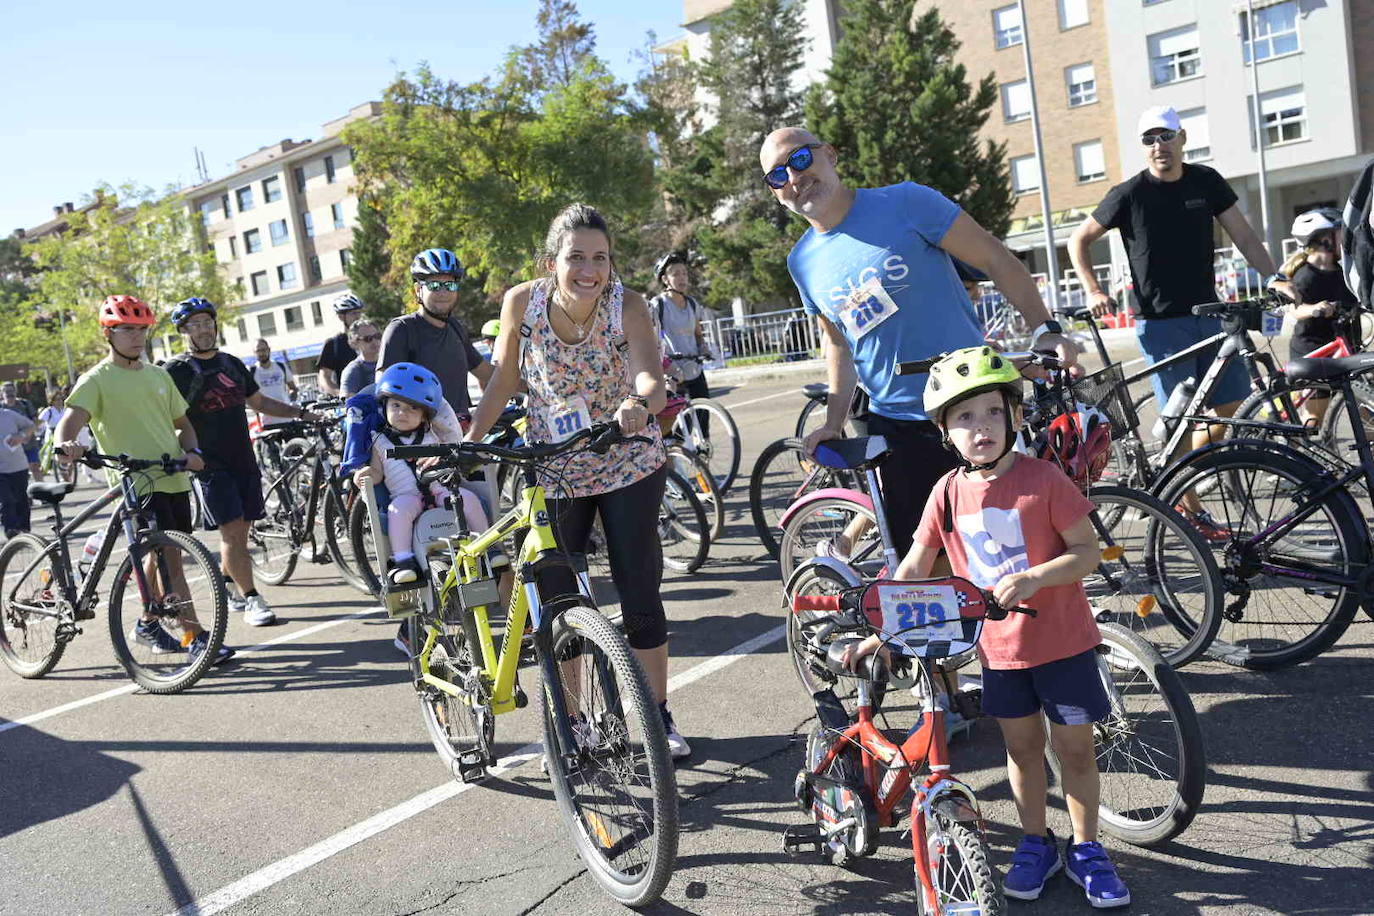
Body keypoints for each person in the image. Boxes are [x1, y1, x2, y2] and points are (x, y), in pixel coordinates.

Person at [844, 346, 1129, 909]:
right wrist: (885, 628)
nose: (981, 428)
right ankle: (1034, 841)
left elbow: (1087, 552)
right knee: (1021, 750)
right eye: (965, 418)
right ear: (946, 433)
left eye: (993, 413)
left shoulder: (1042, 479)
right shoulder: (946, 492)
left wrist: (1035, 577)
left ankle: (1088, 848)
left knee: (1074, 749)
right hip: (998, 650)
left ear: (1016, 418)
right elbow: (914, 569)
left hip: (1064, 643)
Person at [761, 126, 1078, 560]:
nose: (793, 178)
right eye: (777, 175)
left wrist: (1045, 328)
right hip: (897, 426)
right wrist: (834, 422)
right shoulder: (801, 262)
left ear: (830, 155)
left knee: (1011, 554)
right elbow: (837, 344)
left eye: (799, 160)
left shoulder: (907, 202)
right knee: (927, 570)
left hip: (973, 405)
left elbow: (995, 258)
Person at [465, 203, 690, 759]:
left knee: (638, 588)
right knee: (558, 596)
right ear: (551, 262)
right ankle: (576, 722)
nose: (589, 269)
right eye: (576, 258)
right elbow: (504, 380)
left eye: (601, 258)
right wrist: (472, 438)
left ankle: (656, 715)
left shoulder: (628, 305)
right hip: (557, 464)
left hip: (625, 458)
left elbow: (649, 374)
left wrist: (638, 403)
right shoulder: (523, 303)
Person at [1068, 105, 1294, 537]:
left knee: (1233, 413)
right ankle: (1190, 512)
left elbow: (1244, 236)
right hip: (1161, 324)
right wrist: (1094, 290)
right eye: (1150, 139)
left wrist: (1273, 277)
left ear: (1182, 137)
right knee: (1180, 421)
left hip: (1210, 317)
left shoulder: (1205, 182)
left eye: (1166, 136)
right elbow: (1079, 239)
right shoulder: (1128, 193)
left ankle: (1202, 479)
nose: (1159, 146)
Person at [55, 295, 232, 665]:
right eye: (127, 331)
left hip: (172, 477)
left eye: (142, 330)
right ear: (109, 333)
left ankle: (149, 623)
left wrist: (193, 451)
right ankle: (193, 635)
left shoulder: (158, 375)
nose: (137, 337)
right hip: (135, 481)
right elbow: (68, 423)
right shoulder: (97, 379)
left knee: (166, 553)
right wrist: (66, 444)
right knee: (168, 558)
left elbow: (183, 426)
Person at [164, 297, 316, 628]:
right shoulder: (174, 371)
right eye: (195, 325)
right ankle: (252, 599)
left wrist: (300, 412)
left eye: (208, 323)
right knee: (232, 532)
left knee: (240, 534)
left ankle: (228, 586)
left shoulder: (232, 363)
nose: (204, 330)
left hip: (243, 459)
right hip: (208, 466)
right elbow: (162, 416)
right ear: (183, 331)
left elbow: (258, 401)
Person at [352, 363, 488, 586]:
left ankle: (487, 546)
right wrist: (366, 474)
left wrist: (444, 457)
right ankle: (404, 561)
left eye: (412, 408)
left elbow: (451, 454)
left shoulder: (433, 434)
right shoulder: (379, 440)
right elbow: (377, 472)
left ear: (425, 416)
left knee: (469, 499)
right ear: (384, 406)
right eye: (395, 405)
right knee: (397, 512)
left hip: (440, 490)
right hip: (407, 497)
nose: (402, 413)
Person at [377, 248, 494, 419]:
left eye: (450, 285)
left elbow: (484, 371)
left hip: (458, 431)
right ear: (418, 290)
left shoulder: (456, 327)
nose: (443, 292)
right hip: (422, 439)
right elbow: (383, 386)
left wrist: (530, 384)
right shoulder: (401, 330)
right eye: (434, 285)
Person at [1281, 208, 1358, 425]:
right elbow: (1295, 309)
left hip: (1344, 347)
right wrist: (1316, 308)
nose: (1345, 237)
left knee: (1364, 409)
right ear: (1325, 239)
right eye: (1339, 232)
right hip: (1312, 351)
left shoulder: (1343, 272)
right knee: (1314, 417)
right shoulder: (1306, 275)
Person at [649, 252, 712, 401]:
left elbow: (698, 335)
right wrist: (664, 362)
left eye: (684, 273)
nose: (682, 277)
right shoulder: (658, 305)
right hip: (672, 372)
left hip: (694, 367)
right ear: (665, 279)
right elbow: (652, 339)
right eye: (676, 274)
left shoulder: (692, 304)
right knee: (681, 421)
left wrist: (704, 348)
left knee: (703, 417)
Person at [316, 294, 364, 396]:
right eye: (353, 313)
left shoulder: (372, 338)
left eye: (359, 312)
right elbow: (324, 377)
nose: (358, 316)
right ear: (341, 317)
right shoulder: (333, 344)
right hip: (351, 399)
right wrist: (339, 394)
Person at [0, 397, 35, 536]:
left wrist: (20, 435)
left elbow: (31, 426)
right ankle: (11, 529)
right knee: (6, 499)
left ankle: (24, 529)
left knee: (21, 498)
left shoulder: (8, 415)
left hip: (18, 466)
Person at [249, 339, 298, 431]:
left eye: (264, 350)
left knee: (296, 444)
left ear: (269, 350)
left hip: (288, 419)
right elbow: (248, 396)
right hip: (267, 423)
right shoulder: (251, 371)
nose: (261, 353)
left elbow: (293, 388)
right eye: (258, 351)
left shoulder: (281, 367)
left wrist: (291, 402)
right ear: (254, 353)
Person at [2, 382, 43, 482]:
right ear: (1, 394)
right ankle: (26, 495)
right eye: (6, 391)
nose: (9, 394)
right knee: (20, 473)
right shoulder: (1, 409)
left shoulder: (25, 404)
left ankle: (43, 494)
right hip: (10, 449)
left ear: (16, 392)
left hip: (29, 443)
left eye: (11, 391)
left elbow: (36, 422)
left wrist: (25, 434)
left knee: (35, 467)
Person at [340, 318, 383, 397]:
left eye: (377, 336)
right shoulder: (353, 370)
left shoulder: (390, 362)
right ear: (354, 343)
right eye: (368, 339)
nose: (374, 341)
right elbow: (348, 402)